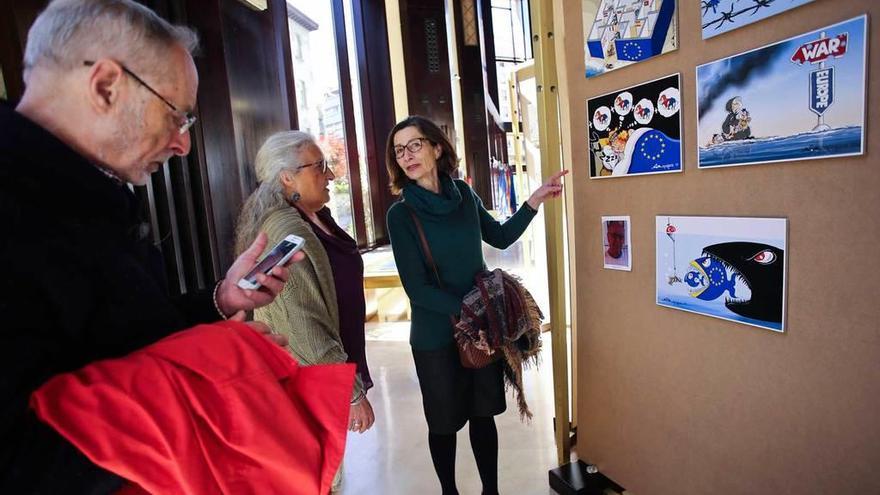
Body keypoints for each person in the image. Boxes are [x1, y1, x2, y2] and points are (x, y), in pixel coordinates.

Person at [0, 1, 297, 491]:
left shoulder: (92, 190)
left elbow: (128, 334)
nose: (182, 144)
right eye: (176, 116)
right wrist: (206, 374)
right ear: (106, 86)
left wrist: (220, 301)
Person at [384, 115, 568, 495]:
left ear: (437, 147)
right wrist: (473, 314)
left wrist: (533, 201)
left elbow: (499, 236)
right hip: (437, 336)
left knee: (483, 416)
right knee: (444, 424)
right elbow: (417, 290)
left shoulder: (464, 196)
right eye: (399, 151)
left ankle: (490, 491)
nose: (407, 156)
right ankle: (449, 492)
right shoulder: (401, 215)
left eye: (414, 145)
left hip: (483, 330)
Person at [234, 131, 375, 488]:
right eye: (320, 167)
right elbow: (302, 322)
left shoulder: (315, 217)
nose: (330, 175)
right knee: (315, 478)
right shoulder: (284, 229)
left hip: (323, 378)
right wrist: (352, 392)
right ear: (287, 177)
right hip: (307, 383)